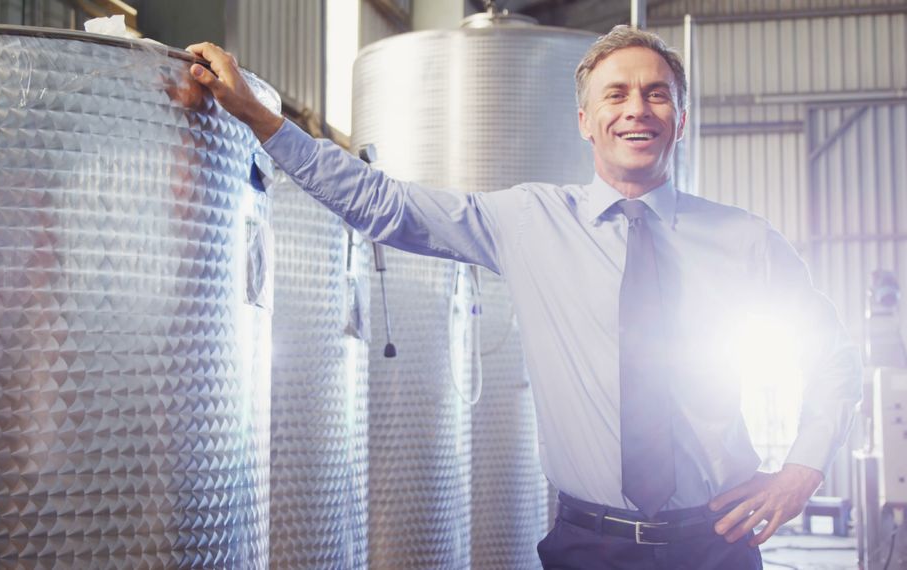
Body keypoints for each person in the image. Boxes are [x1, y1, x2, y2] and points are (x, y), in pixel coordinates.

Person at [180, 25, 862, 570]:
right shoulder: (529, 221)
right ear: (586, 121)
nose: (637, 109)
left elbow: (832, 354)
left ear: (679, 119)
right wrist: (256, 116)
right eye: (617, 94)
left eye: (657, 94)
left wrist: (804, 466)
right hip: (588, 547)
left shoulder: (744, 241)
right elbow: (381, 204)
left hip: (715, 543)